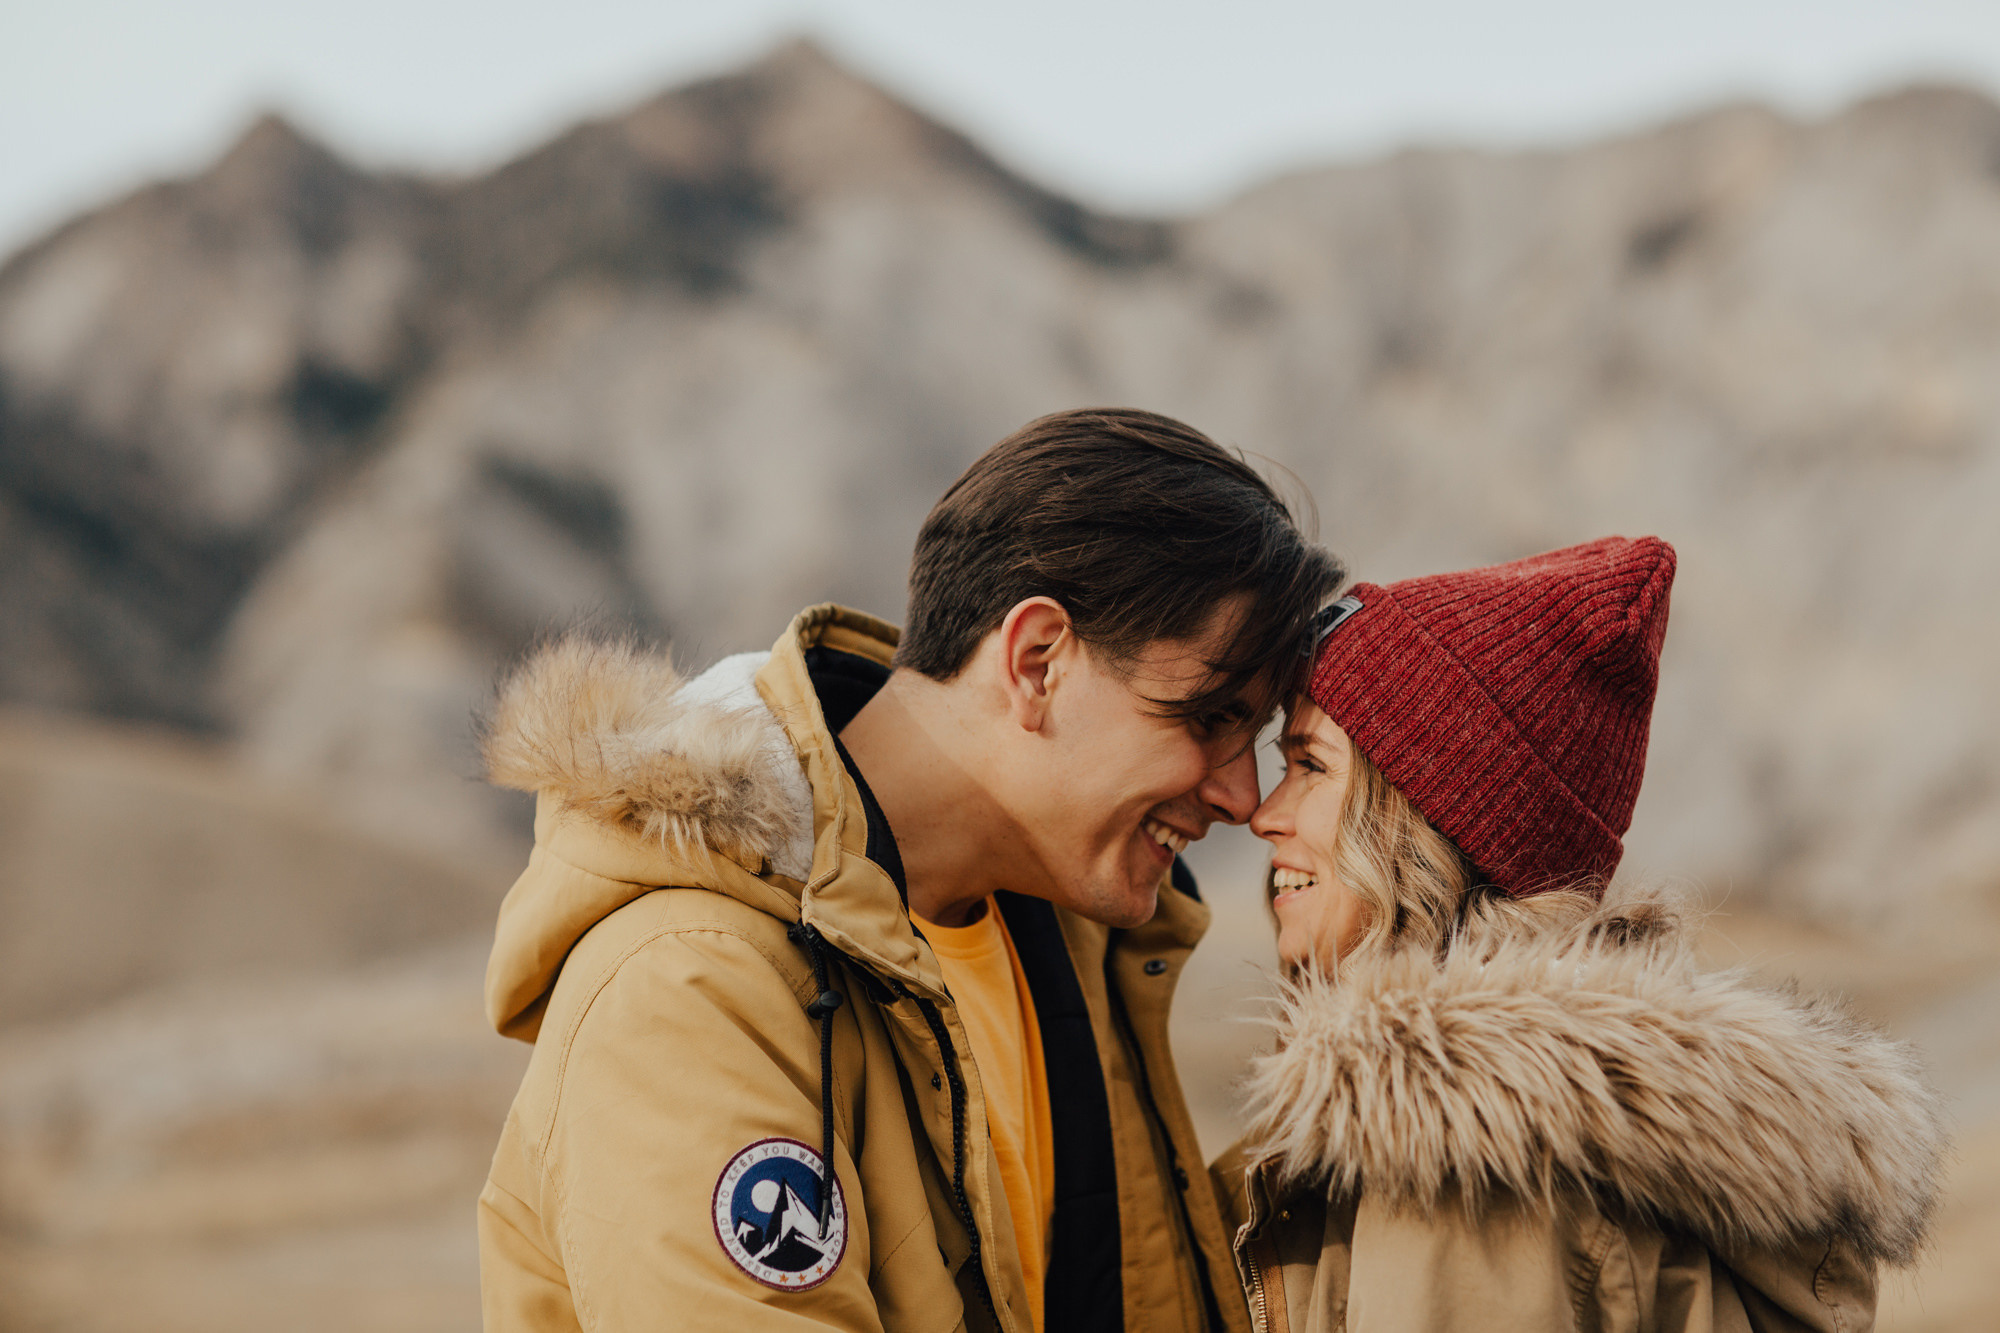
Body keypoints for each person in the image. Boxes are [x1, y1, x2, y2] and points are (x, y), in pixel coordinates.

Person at [475, 408, 1345, 1332]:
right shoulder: (687, 988)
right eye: (1207, 718)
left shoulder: (1067, 932)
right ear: (1038, 661)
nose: (1242, 798)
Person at [1215, 537, 1947, 1333]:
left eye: (1310, 766)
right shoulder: (1564, 1138)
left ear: (1422, 824)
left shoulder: (1466, 1166)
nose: (1264, 812)